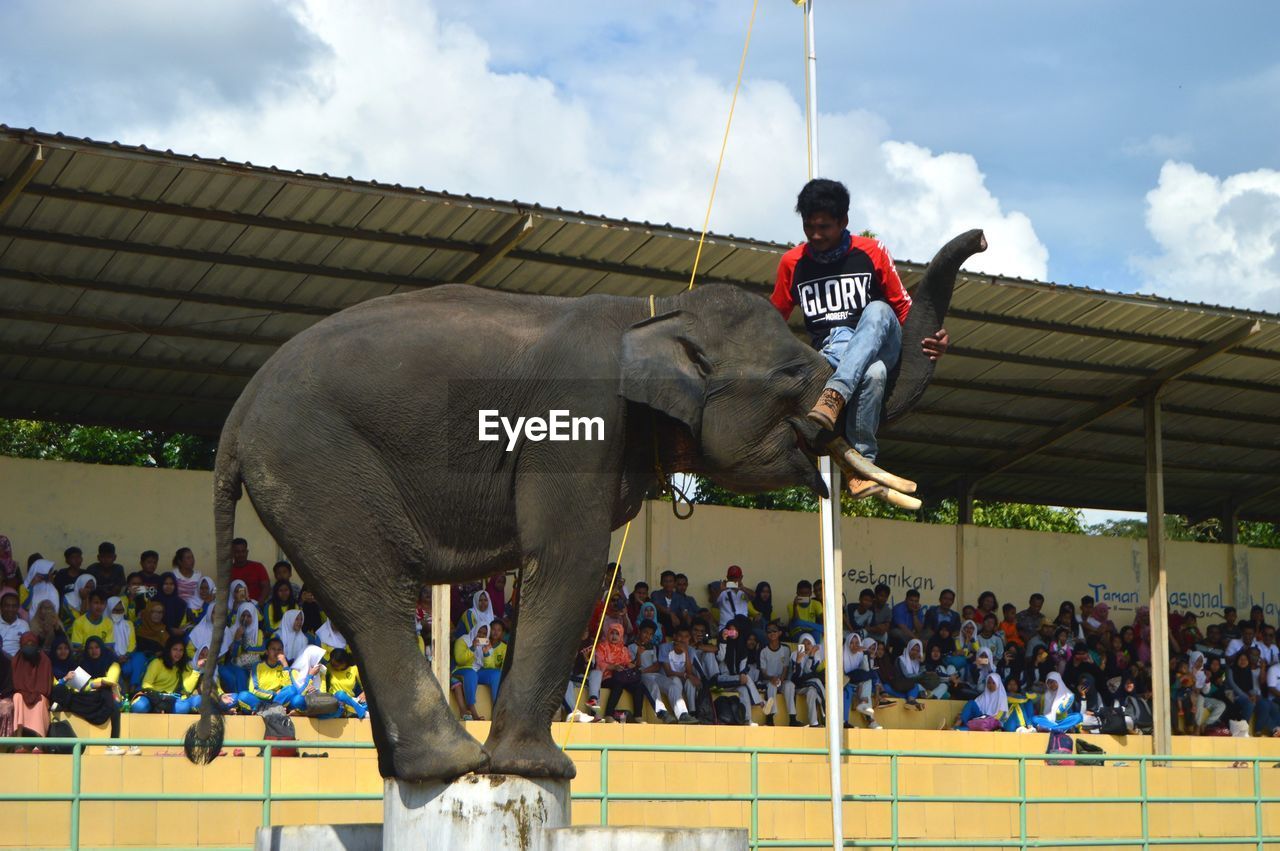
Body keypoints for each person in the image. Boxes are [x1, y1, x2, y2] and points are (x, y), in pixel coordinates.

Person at [770, 178, 948, 501]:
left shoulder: (871, 252)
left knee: (879, 310)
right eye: (809, 226)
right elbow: (772, 322)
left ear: (844, 222)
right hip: (833, 355)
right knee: (871, 371)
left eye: (824, 226)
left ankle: (834, 396)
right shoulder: (792, 264)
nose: (815, 235)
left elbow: (904, 310)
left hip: (882, 341)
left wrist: (934, 339)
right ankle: (861, 468)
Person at [589, 622, 644, 722]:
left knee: (638, 686)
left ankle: (638, 716)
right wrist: (613, 667)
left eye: (617, 634)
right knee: (618, 685)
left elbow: (628, 663)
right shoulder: (602, 646)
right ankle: (609, 714)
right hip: (607, 677)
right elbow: (599, 663)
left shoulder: (624, 649)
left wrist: (631, 663)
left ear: (621, 635)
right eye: (612, 633)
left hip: (622, 677)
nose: (614, 636)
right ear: (608, 634)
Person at [713, 616, 765, 722]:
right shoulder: (723, 643)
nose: (733, 632)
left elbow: (742, 669)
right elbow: (720, 657)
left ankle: (748, 720)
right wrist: (723, 640)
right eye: (730, 630)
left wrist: (741, 675)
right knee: (746, 679)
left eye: (735, 630)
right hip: (722, 680)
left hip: (736, 681)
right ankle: (760, 702)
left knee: (744, 690)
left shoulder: (742, 649)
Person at [235, 637, 298, 714]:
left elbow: (287, 686)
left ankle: (264, 711)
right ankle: (269, 710)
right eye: (273, 649)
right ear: (267, 652)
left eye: (279, 650)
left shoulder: (282, 668)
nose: (276, 652)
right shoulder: (257, 666)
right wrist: (273, 694)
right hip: (261, 700)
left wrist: (285, 665)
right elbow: (254, 690)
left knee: (292, 690)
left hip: (277, 701)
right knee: (243, 696)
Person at [451, 622, 501, 721]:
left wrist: (486, 653)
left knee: (496, 674)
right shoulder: (463, 640)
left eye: (484, 633)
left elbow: (490, 666)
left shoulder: (486, 644)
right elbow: (459, 660)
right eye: (479, 632)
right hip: (461, 669)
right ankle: (472, 710)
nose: (481, 635)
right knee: (471, 673)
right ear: (475, 630)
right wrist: (472, 648)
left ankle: (497, 709)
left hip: (478, 671)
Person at [12, 633, 52, 744]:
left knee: (40, 700)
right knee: (17, 697)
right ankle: (18, 741)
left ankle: (39, 743)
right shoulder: (17, 661)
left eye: (32, 645)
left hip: (39, 694)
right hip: (22, 693)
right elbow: (15, 685)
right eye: (26, 645)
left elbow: (45, 688)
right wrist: (26, 693)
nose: (29, 648)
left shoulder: (44, 660)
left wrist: (34, 694)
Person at [631, 620, 672, 722]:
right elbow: (634, 666)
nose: (647, 636)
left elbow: (657, 666)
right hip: (639, 676)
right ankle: (662, 712)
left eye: (650, 634)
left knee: (671, 684)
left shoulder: (652, 647)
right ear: (639, 632)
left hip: (649, 673)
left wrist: (643, 671)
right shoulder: (631, 646)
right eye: (645, 632)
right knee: (653, 685)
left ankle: (681, 712)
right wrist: (639, 654)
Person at [659, 627, 700, 724]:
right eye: (680, 636)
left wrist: (685, 653)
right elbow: (668, 672)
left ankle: (692, 712)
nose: (683, 639)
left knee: (690, 683)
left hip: (684, 678)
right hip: (668, 679)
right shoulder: (664, 647)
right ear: (674, 637)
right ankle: (679, 712)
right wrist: (686, 675)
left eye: (686, 637)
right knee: (676, 680)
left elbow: (689, 672)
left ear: (689, 638)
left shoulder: (690, 650)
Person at [842, 633, 881, 729]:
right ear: (847, 643)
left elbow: (867, 670)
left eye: (857, 643)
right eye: (851, 643)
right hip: (845, 681)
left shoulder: (861, 654)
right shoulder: (841, 653)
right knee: (867, 678)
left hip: (856, 681)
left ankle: (867, 712)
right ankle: (845, 721)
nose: (854, 646)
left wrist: (865, 654)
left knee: (867, 680)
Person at [759, 621, 793, 726]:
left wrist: (781, 681)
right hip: (769, 680)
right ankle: (770, 717)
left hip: (782, 679)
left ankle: (793, 718)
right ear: (766, 634)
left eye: (774, 630)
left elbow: (785, 668)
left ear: (779, 633)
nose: (772, 633)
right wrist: (772, 679)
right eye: (769, 631)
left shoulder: (786, 649)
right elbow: (763, 672)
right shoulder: (763, 651)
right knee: (771, 686)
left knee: (790, 685)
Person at [791, 633, 826, 727]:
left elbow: (808, 672)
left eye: (809, 643)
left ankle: (814, 723)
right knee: (816, 681)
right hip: (797, 685)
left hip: (808, 685)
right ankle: (827, 710)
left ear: (813, 645)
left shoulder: (816, 656)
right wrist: (798, 661)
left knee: (812, 691)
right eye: (804, 643)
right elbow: (796, 678)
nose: (806, 646)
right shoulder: (794, 655)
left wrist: (811, 656)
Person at [323, 648, 367, 718]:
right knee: (340, 694)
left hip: (349, 701)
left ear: (345, 662)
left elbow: (366, 686)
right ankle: (361, 712)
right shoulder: (328, 668)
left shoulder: (354, 669)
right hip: (334, 701)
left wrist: (364, 693)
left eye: (337, 665)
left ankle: (357, 710)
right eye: (332, 664)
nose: (334, 667)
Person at [230, 538, 271, 604]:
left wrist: (258, 605)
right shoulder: (228, 571)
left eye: (243, 551)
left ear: (247, 552)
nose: (241, 555)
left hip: (257, 606)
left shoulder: (258, 567)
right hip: (236, 607)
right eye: (237, 552)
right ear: (232, 553)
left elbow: (266, 587)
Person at [714, 565, 754, 631]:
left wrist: (743, 588)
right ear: (727, 578)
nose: (734, 580)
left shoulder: (744, 592)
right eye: (731, 577)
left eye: (736, 577)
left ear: (741, 577)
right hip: (726, 628)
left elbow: (754, 597)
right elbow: (713, 601)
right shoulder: (722, 591)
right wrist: (720, 590)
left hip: (742, 627)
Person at [23, 559, 60, 623]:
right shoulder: (24, 586)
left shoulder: (50, 589)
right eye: (49, 572)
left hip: (46, 624)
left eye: (51, 572)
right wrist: (31, 585)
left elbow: (55, 610)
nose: (50, 575)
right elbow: (24, 605)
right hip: (25, 623)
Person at [0, 588, 29, 656]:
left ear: (18, 607)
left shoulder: (24, 624)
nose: (10, 609)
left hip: (18, 661)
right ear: (1, 607)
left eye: (14, 606)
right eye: (7, 605)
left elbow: (27, 647)